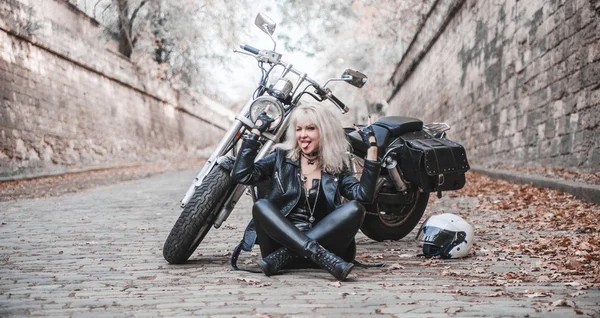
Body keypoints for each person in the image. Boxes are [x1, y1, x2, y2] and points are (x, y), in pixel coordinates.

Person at [231, 104, 380, 281]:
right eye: (298, 129)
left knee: (356, 208)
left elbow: (364, 196)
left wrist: (372, 150)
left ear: (325, 132)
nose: (302, 135)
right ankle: (313, 253)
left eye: (310, 128)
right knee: (261, 206)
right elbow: (242, 175)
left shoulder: (336, 166)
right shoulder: (281, 157)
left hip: (308, 253)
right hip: (297, 250)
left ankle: (289, 254)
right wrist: (255, 134)